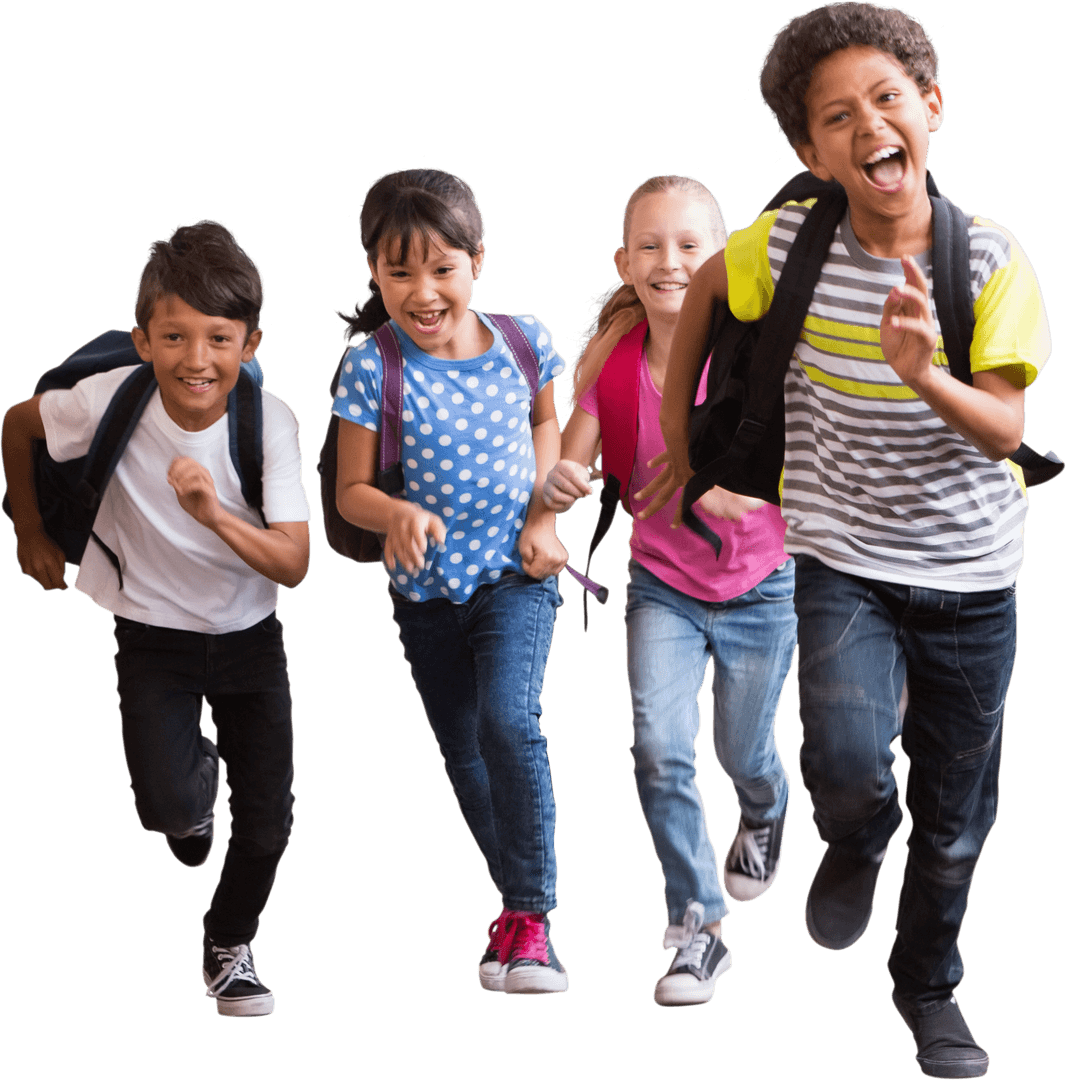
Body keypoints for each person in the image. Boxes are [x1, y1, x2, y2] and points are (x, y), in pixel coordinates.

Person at [644, 4, 1050, 1075]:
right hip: (845, 563)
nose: (868, 123)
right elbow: (694, 306)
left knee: (957, 816)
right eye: (836, 114)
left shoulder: (994, 260)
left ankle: (929, 989)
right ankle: (857, 837)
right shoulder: (782, 245)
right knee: (845, 762)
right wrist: (685, 439)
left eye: (886, 97)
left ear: (931, 107)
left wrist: (925, 373)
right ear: (807, 151)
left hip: (970, 575)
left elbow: (1007, 426)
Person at [1, 220, 311, 1017]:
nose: (196, 359)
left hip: (249, 637)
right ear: (143, 338)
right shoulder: (111, 398)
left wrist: (214, 516)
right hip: (150, 635)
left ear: (250, 342)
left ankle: (228, 941)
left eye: (218, 337)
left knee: (270, 823)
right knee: (171, 813)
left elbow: (292, 563)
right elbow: (18, 424)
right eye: (174, 335)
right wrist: (30, 531)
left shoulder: (268, 422)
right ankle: (191, 789)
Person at [543, 176, 796, 1007]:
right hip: (665, 589)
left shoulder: (753, 352)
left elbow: (813, 465)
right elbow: (573, 455)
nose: (669, 261)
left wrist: (732, 490)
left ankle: (764, 805)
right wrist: (560, 488)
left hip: (761, 585)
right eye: (649, 246)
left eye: (690, 245)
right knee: (658, 745)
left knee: (739, 751)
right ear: (624, 261)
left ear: (724, 257)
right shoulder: (615, 362)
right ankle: (698, 929)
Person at [332, 168, 569, 995]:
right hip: (424, 595)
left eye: (441, 269)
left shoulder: (522, 340)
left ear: (477, 260)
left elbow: (548, 423)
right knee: (465, 757)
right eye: (399, 273)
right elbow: (349, 491)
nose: (423, 292)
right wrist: (393, 515)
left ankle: (533, 921)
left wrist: (544, 519)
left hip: (514, 576)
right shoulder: (371, 364)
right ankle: (513, 906)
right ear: (373, 273)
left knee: (509, 722)